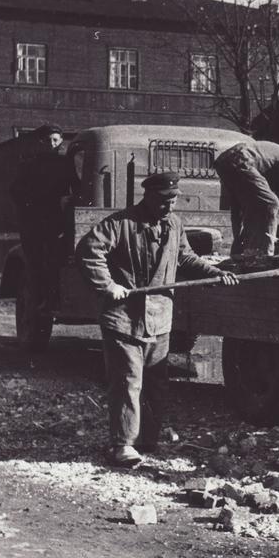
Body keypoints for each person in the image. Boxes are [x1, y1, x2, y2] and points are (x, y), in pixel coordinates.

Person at [76, 171, 239, 467]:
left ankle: (147, 440)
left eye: (174, 200)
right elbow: (89, 250)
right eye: (164, 200)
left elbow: (185, 258)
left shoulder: (174, 224)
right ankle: (123, 444)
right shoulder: (120, 223)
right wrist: (107, 285)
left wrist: (216, 273)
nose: (170, 205)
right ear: (149, 196)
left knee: (156, 383)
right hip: (124, 317)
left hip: (160, 317)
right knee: (128, 381)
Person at [10, 124, 80, 312]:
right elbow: (16, 191)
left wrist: (69, 200)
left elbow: (76, 186)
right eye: (48, 140)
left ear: (61, 141)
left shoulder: (65, 164)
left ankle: (52, 298)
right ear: (41, 142)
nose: (52, 144)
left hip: (56, 220)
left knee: (55, 260)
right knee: (35, 261)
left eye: (56, 140)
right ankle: (38, 300)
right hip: (34, 222)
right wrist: (30, 206)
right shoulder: (29, 165)